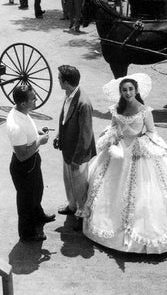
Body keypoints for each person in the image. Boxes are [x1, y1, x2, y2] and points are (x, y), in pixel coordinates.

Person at [82, 73, 167, 254]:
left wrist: (140, 144)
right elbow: (113, 127)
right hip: (119, 151)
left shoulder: (145, 110)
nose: (128, 93)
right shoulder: (116, 109)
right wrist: (113, 136)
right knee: (109, 186)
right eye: (124, 90)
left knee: (145, 192)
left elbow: (151, 132)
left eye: (131, 89)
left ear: (136, 91)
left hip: (139, 150)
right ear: (121, 92)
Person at [7, 85, 55, 243]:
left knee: (37, 190)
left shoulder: (21, 112)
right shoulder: (16, 126)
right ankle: (27, 234)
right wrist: (39, 141)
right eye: (33, 99)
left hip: (32, 162)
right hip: (24, 165)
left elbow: (28, 134)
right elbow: (21, 155)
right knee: (26, 201)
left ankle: (38, 216)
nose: (36, 100)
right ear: (22, 103)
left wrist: (36, 133)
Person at [53, 65, 96, 232]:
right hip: (67, 149)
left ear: (66, 82)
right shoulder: (69, 94)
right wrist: (59, 135)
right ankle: (71, 206)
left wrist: (78, 159)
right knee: (68, 180)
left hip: (78, 153)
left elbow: (85, 135)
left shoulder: (83, 103)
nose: (58, 81)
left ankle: (81, 213)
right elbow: (65, 118)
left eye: (59, 79)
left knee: (79, 186)